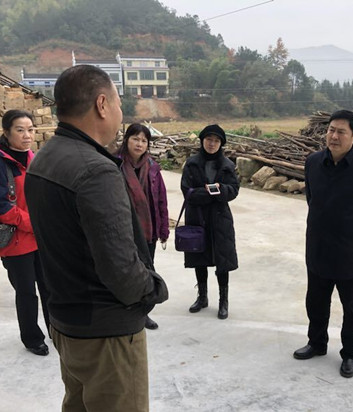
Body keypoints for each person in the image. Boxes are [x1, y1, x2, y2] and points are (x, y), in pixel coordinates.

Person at [25, 65, 168, 411]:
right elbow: (121, 268)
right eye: (118, 102)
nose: (120, 112)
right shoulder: (96, 170)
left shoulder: (44, 158)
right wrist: (152, 290)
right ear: (102, 104)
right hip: (106, 334)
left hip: (66, 320)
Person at [293, 109, 353, 379]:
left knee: (351, 307)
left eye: (341, 132)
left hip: (351, 251)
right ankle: (317, 343)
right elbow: (312, 199)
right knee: (316, 301)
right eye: (331, 130)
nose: (334, 136)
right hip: (318, 246)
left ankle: (349, 354)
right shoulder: (313, 162)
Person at [0, 109, 50, 356]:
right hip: (15, 242)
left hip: (41, 239)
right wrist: (32, 223)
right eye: (20, 130)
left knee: (50, 288)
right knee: (27, 293)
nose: (27, 135)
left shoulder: (34, 159)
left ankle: (57, 330)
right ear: (6, 133)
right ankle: (32, 338)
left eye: (30, 129)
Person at [181, 124, 239, 319]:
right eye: (208, 140)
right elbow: (187, 191)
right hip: (197, 217)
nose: (212, 144)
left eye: (216, 141)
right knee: (200, 258)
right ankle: (202, 297)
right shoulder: (192, 163)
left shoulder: (227, 165)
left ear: (221, 143)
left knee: (222, 261)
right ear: (202, 141)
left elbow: (234, 190)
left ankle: (223, 301)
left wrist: (220, 190)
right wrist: (209, 194)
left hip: (220, 219)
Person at [117, 123, 170, 330]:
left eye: (143, 140)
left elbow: (161, 200)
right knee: (125, 271)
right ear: (126, 140)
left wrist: (163, 229)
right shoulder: (114, 164)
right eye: (135, 139)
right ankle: (124, 310)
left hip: (148, 231)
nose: (139, 144)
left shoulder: (153, 167)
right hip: (124, 229)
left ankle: (143, 312)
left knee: (147, 271)